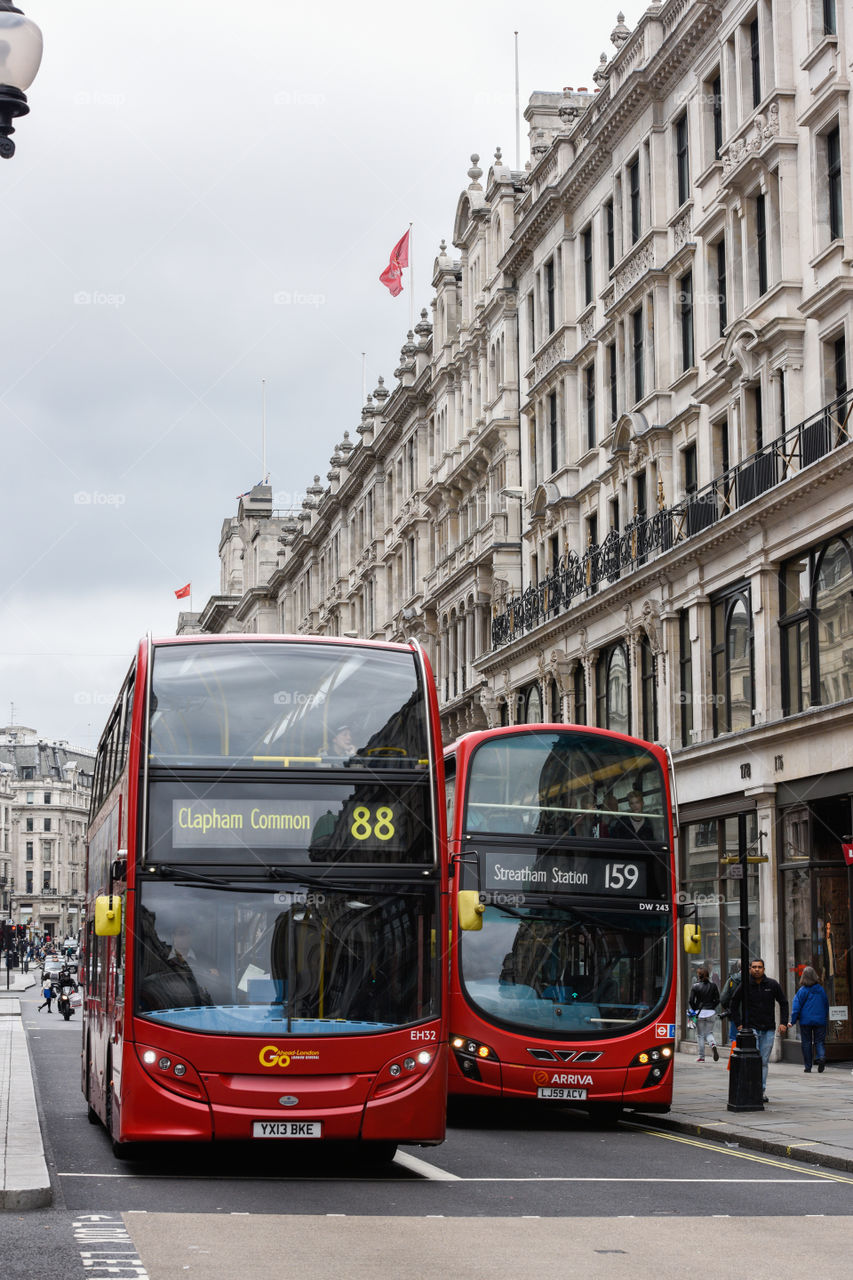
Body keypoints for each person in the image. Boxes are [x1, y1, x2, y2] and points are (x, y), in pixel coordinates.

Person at [729, 958, 788, 1102]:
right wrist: (738, 1024)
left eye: (759, 967)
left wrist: (783, 1023)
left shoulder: (772, 984)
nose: (756, 969)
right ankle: (752, 1090)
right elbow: (733, 1003)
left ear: (764, 969)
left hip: (768, 1029)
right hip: (752, 1029)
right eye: (754, 967)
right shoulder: (745, 985)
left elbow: (784, 1003)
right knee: (753, 1061)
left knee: (763, 1061)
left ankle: (760, 1091)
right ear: (749, 969)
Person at [789, 965, 829, 1073]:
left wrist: (792, 1021)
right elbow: (826, 1004)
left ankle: (808, 1066)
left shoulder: (802, 991)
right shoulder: (821, 990)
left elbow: (796, 1008)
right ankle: (821, 1057)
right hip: (820, 1020)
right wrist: (825, 1017)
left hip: (805, 1021)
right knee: (819, 1041)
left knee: (806, 1043)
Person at [688, 966, 721, 1062]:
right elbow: (718, 999)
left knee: (700, 1035)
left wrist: (695, 1009)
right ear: (708, 974)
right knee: (709, 1033)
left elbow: (691, 1000)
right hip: (711, 1012)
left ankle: (701, 1057)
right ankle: (713, 1044)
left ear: (699, 975)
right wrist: (712, 1007)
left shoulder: (695, 986)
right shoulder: (713, 986)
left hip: (700, 1013)